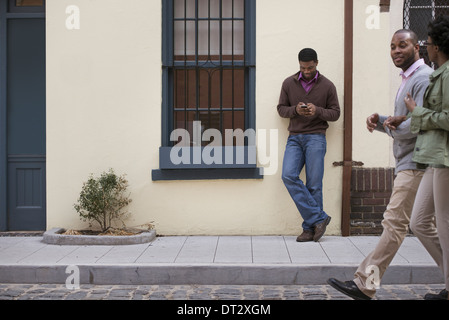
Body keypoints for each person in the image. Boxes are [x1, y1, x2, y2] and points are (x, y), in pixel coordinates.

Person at [327, 29, 433, 300]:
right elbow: (406, 121)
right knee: (422, 226)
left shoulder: (421, 78)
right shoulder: (409, 78)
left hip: (415, 162)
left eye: (403, 45)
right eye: (393, 46)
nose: (396, 51)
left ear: (417, 48)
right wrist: (384, 120)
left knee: (394, 224)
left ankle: (366, 283)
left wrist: (392, 128)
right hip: (411, 162)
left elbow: (419, 124)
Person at [404, 15, 449, 300]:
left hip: (445, 158)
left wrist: (416, 111)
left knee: (444, 224)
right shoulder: (440, 73)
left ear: (437, 47)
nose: (426, 47)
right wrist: (405, 115)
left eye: (428, 43)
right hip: (434, 156)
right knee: (419, 222)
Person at [277, 48, 340, 242]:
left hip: (316, 137)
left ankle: (309, 229)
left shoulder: (328, 85)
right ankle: (319, 218)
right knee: (288, 175)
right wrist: (295, 110)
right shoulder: (289, 83)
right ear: (299, 65)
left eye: (310, 67)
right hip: (295, 137)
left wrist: (317, 111)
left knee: (314, 184)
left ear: (317, 63)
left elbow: (336, 113)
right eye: (303, 68)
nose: (306, 71)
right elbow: (281, 109)